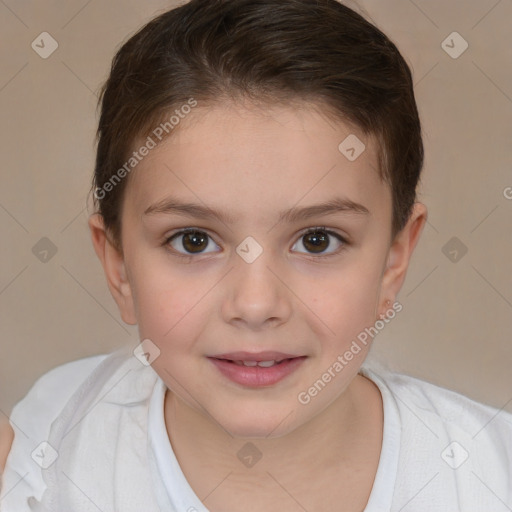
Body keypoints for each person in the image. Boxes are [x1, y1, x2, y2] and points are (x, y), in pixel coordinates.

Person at [1, 0, 511, 511]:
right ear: (120, 269)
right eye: (193, 241)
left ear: (394, 261)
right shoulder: (47, 454)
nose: (255, 304)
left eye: (317, 240)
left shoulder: (490, 476)